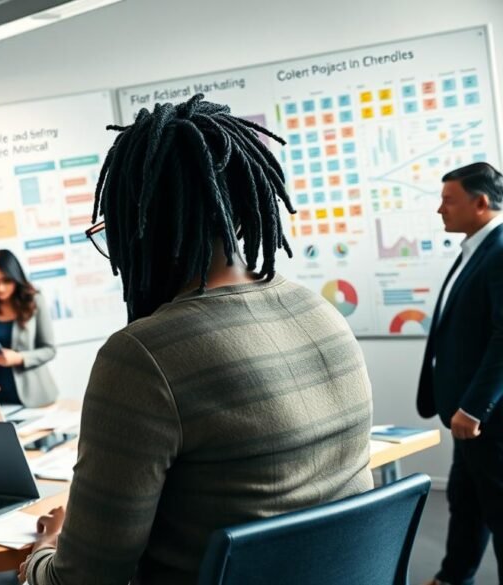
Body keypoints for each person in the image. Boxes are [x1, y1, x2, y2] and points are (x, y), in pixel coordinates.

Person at [18, 95, 374, 585]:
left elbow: (83, 581)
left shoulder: (142, 357)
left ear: (134, 228)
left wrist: (43, 552)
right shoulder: (322, 313)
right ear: (242, 209)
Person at [417, 162, 503, 585]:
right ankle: (452, 577)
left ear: (481, 202)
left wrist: (473, 408)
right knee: (465, 501)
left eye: (448, 201)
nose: (439, 210)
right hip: (468, 421)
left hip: (487, 419)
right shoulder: (478, 248)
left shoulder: (501, 249)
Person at [0, 249, 58, 407]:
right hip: (0, 401)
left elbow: (49, 350)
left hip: (37, 398)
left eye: (6, 281)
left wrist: (19, 358)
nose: (0, 288)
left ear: (16, 278)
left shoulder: (35, 301)